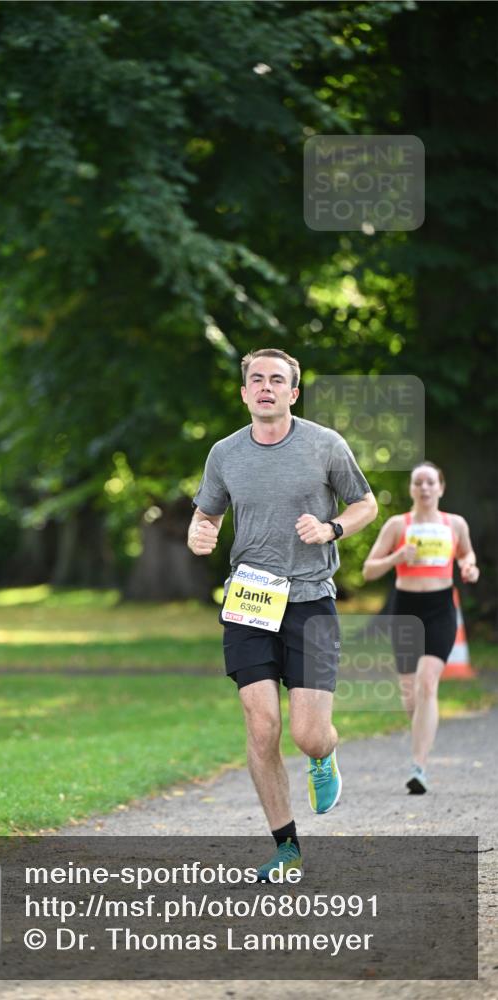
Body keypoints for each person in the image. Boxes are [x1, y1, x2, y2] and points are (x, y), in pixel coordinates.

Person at [187, 348, 377, 879]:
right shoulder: (224, 453)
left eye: (276, 380)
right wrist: (198, 533)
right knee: (261, 723)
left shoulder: (324, 444)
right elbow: (206, 514)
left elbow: (366, 504)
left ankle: (324, 754)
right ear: (244, 392)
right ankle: (286, 846)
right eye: (257, 379)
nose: (265, 387)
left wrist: (332, 528)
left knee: (308, 733)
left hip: (311, 600)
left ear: (293, 393)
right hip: (250, 598)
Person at [362, 461, 479, 794]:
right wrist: (397, 557)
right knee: (411, 693)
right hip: (406, 610)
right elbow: (369, 570)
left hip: (440, 609)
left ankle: (419, 767)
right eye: (418, 483)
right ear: (412, 489)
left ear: (441, 487)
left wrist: (469, 568)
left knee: (428, 683)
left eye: (430, 482)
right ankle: (420, 737)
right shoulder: (398, 525)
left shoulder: (455, 524)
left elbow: (466, 556)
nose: (424, 488)